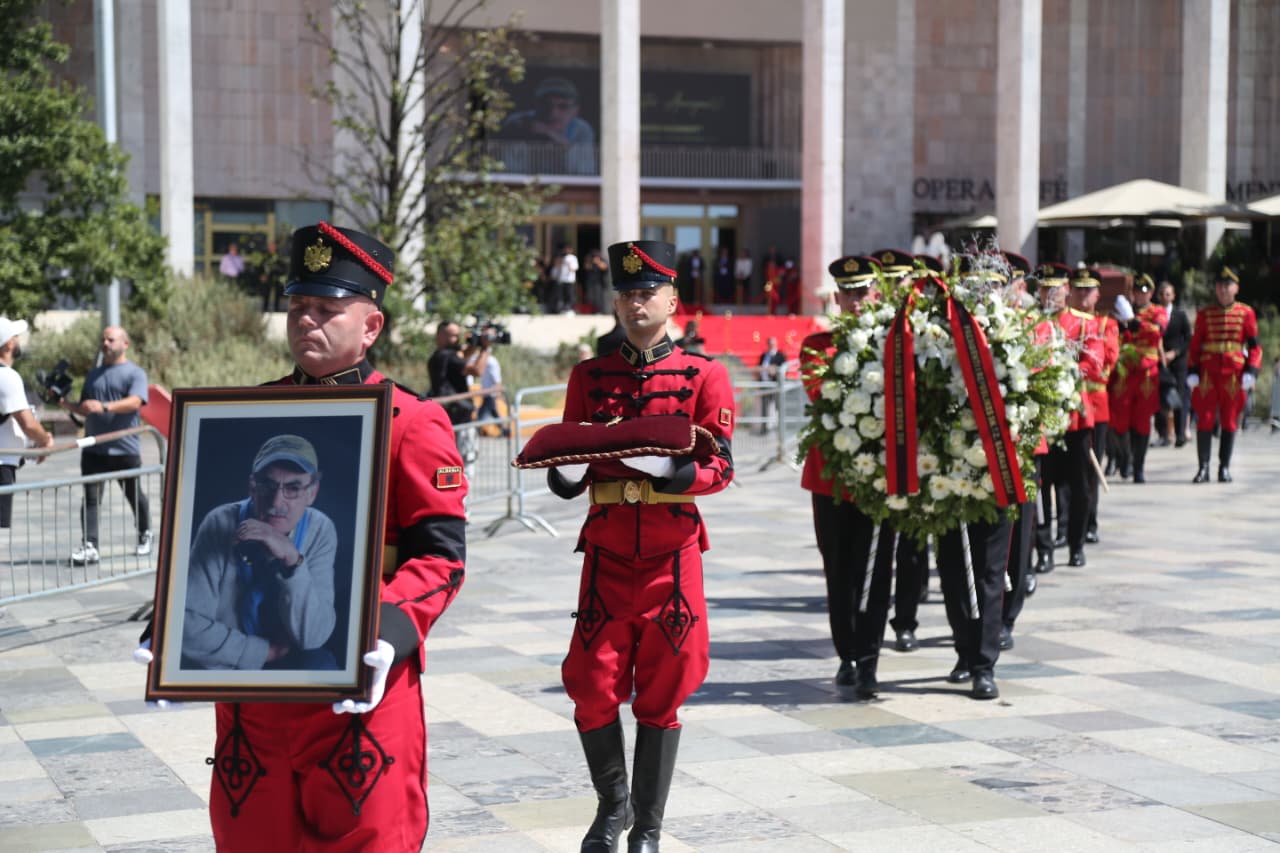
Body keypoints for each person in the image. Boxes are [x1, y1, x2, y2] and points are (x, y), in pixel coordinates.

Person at [143, 222, 468, 851]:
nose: (306, 322)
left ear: (370, 326)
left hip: (358, 695)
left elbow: (442, 557)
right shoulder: (249, 411)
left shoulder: (413, 420)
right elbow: (202, 552)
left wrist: (389, 631)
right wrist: (173, 631)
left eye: (327, 309)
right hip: (252, 708)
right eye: (297, 307)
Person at [546, 240, 734, 853]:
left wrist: (678, 474)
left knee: (666, 682)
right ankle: (613, 806)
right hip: (604, 554)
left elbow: (722, 467)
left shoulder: (703, 374)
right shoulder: (589, 376)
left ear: (673, 300)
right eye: (625, 293)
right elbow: (567, 456)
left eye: (646, 292)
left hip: (671, 555)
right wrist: (565, 475)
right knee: (589, 680)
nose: (633, 303)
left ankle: (647, 830)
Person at [800, 255, 925, 700]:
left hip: (880, 478)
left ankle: (868, 658)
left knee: (876, 571)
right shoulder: (818, 344)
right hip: (831, 479)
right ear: (837, 297)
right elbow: (823, 394)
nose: (854, 300)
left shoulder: (896, 343)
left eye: (862, 292)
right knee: (840, 571)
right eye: (846, 293)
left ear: (876, 294)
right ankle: (847, 653)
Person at [182, 434, 339, 671]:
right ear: (251, 486)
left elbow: (313, 637)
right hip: (230, 660)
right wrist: (263, 652)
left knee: (322, 665)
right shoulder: (220, 522)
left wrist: (292, 561)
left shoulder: (320, 529)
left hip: (293, 658)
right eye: (267, 485)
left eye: (293, 488)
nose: (277, 501)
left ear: (312, 492)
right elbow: (184, 627)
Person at [63, 325, 153, 565]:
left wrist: (104, 406)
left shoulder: (135, 373)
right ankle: (90, 545)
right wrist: (65, 403)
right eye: (103, 339)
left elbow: (135, 402)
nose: (105, 344)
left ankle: (145, 533)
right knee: (91, 499)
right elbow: (85, 407)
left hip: (124, 448)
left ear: (125, 344)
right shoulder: (94, 374)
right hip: (94, 449)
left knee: (134, 496)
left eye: (110, 340)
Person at [1052, 267, 1107, 568]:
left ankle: (1076, 543)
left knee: (1079, 483)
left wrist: (1065, 372)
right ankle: (1046, 546)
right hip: (1044, 415)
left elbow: (1095, 362)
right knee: (1043, 483)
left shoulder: (1085, 325)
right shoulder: (1037, 322)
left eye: (1056, 288)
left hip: (1075, 413)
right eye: (1046, 288)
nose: (1051, 294)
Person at [1188, 265, 1262, 483]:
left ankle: (1224, 467)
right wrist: (1192, 370)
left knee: (1230, 421)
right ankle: (1203, 468)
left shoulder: (1246, 313)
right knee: (1205, 420)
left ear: (1236, 288)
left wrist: (1252, 370)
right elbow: (1195, 346)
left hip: (1233, 374)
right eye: (1220, 286)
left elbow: (1255, 346)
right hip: (1208, 375)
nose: (1223, 290)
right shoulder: (1204, 314)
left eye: (1227, 286)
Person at [1109, 275, 1166, 483]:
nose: (1141, 295)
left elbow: (1157, 332)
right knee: (1119, 419)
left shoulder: (1157, 312)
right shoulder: (1122, 311)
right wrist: (1122, 324)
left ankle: (1139, 466)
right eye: (1137, 292)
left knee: (1142, 421)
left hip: (1146, 374)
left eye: (1145, 292)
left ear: (1151, 293)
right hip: (1125, 371)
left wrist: (1133, 322)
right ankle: (1125, 458)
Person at [0, 317, 54, 528]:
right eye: (16, 336)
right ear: (9, 344)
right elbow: (28, 424)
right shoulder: (7, 377)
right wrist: (45, 439)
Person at [429, 321, 487, 483]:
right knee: (465, 466)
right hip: (459, 418)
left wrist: (475, 344)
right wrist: (486, 348)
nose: (457, 339)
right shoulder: (447, 356)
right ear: (440, 336)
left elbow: (462, 356)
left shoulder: (440, 356)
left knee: (451, 465)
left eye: (457, 335)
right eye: (452, 335)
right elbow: (477, 370)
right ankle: (462, 506)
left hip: (449, 417)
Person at [501, 77, 596, 174]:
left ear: (575, 110)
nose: (553, 113)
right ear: (536, 105)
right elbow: (509, 170)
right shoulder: (518, 123)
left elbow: (584, 172)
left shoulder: (582, 129)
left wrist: (554, 136)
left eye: (563, 106)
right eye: (546, 105)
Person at [1157, 280, 1192, 446]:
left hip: (1177, 362)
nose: (1165, 297)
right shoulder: (1154, 314)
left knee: (1178, 398)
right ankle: (1163, 433)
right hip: (1159, 360)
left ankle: (1179, 434)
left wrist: (1176, 352)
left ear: (1173, 296)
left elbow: (1188, 338)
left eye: (1168, 294)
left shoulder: (1180, 315)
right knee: (1160, 398)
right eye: (1162, 294)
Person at [472, 331, 507, 437]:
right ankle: (505, 431)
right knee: (493, 413)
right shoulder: (488, 361)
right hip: (487, 393)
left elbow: (497, 379)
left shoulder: (491, 362)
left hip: (490, 393)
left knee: (481, 416)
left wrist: (498, 392)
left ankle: (476, 432)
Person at [757, 336, 787, 434]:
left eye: (773, 344)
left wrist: (775, 370)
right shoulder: (763, 356)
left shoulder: (780, 356)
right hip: (765, 384)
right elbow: (759, 368)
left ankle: (778, 429)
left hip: (775, 385)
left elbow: (784, 369)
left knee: (777, 406)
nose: (771, 346)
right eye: (770, 344)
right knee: (765, 407)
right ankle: (764, 428)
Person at [550, 244, 580, 314]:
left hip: (569, 279)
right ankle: (562, 309)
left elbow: (574, 268)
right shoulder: (562, 257)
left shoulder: (573, 258)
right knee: (561, 295)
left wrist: (568, 264)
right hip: (562, 279)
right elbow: (557, 267)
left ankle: (570, 308)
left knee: (569, 294)